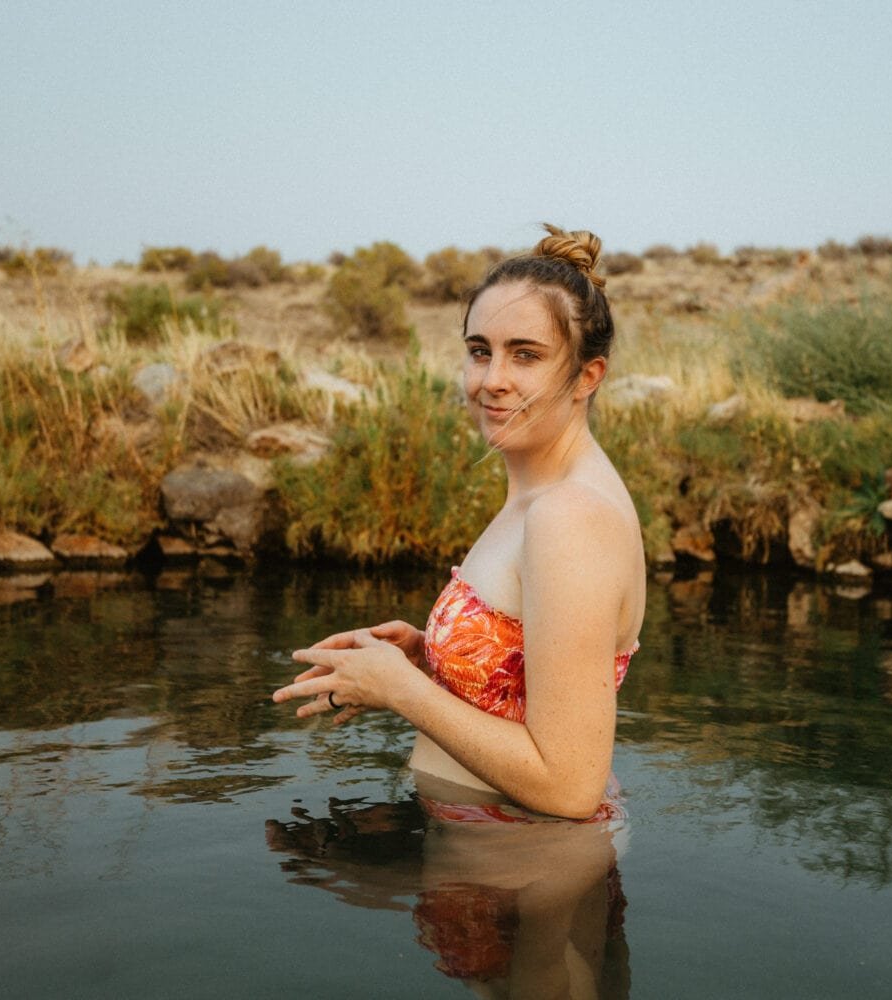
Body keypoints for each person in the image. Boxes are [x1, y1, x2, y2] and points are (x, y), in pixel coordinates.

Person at [272, 223, 645, 823]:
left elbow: (571, 788)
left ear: (586, 376)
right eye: (480, 351)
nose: (491, 380)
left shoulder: (569, 516)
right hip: (479, 863)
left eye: (525, 355)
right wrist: (432, 658)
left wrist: (401, 689)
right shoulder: (538, 490)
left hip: (528, 883)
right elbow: (525, 673)